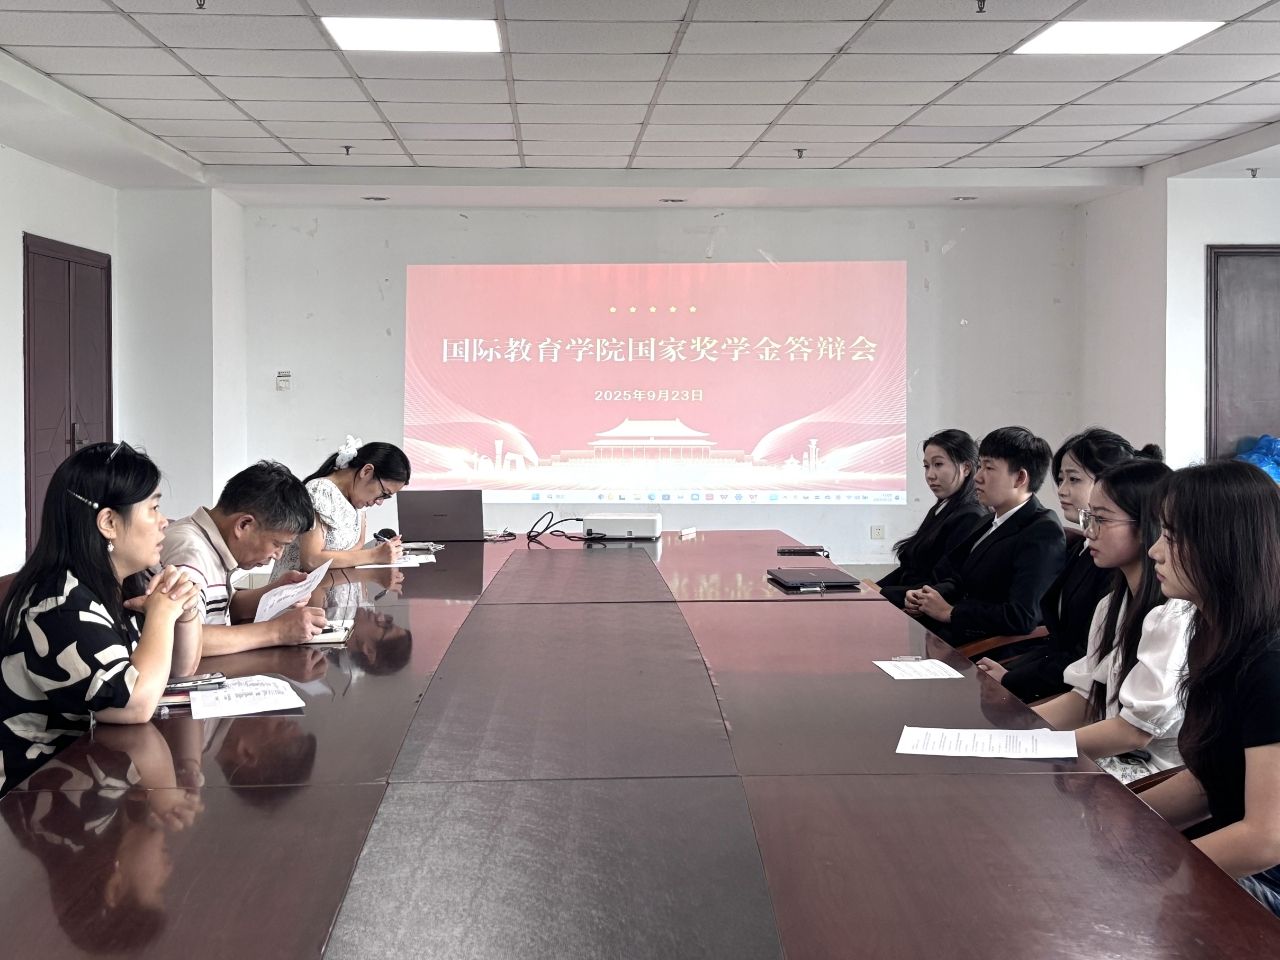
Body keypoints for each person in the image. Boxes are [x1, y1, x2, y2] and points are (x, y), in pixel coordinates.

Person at [0, 442, 202, 796]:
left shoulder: (118, 584)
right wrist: (162, 614)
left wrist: (183, 613)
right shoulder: (59, 604)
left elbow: (180, 671)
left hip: (92, 773)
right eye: (153, 508)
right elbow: (133, 704)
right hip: (37, 791)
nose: (164, 522)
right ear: (109, 522)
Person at [1139, 461, 1280, 917]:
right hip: (1238, 863)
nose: (1155, 551)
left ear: (1225, 545)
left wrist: (1163, 880)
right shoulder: (1216, 634)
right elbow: (1209, 778)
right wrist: (1118, 823)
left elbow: (1266, 839)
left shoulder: (1270, 663)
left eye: (1172, 536)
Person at [1030, 458, 1192, 781]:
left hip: (1154, 774)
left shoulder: (1174, 614)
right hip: (1116, 757)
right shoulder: (1111, 605)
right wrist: (1015, 728)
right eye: (1089, 517)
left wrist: (1039, 745)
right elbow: (1085, 698)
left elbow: (1134, 732)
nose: (1088, 531)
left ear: (1147, 526)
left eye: (1101, 519)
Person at [985, 429, 1161, 701]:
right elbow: (1069, 650)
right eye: (1060, 479)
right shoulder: (1084, 548)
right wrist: (1010, 673)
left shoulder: (1121, 571)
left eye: (1074, 479)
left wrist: (1011, 678)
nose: (1062, 490)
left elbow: (1084, 660)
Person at [905, 425, 1065, 645]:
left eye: (988, 468)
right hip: (948, 633)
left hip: (983, 648)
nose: (977, 477)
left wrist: (950, 612)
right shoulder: (989, 520)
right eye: (980, 466)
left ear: (1020, 478)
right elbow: (959, 578)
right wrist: (926, 596)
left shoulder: (1042, 531)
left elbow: (1022, 616)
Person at [160, 461, 326, 656]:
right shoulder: (190, 552)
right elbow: (182, 640)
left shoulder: (209, 542)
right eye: (277, 544)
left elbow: (222, 607)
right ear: (244, 524)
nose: (278, 555)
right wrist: (278, 631)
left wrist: (276, 593)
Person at [875, 429, 989, 608]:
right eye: (926, 466)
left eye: (938, 464)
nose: (930, 475)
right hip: (909, 601)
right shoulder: (942, 508)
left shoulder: (971, 516)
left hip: (922, 608)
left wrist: (882, 593)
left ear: (966, 468)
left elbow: (943, 583)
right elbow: (909, 569)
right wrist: (872, 589)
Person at [273, 436, 410, 578]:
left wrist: (382, 551)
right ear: (366, 471)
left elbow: (358, 545)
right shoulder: (320, 491)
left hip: (335, 583)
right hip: (301, 588)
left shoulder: (358, 502)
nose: (379, 502)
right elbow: (311, 560)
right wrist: (374, 555)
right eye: (384, 493)